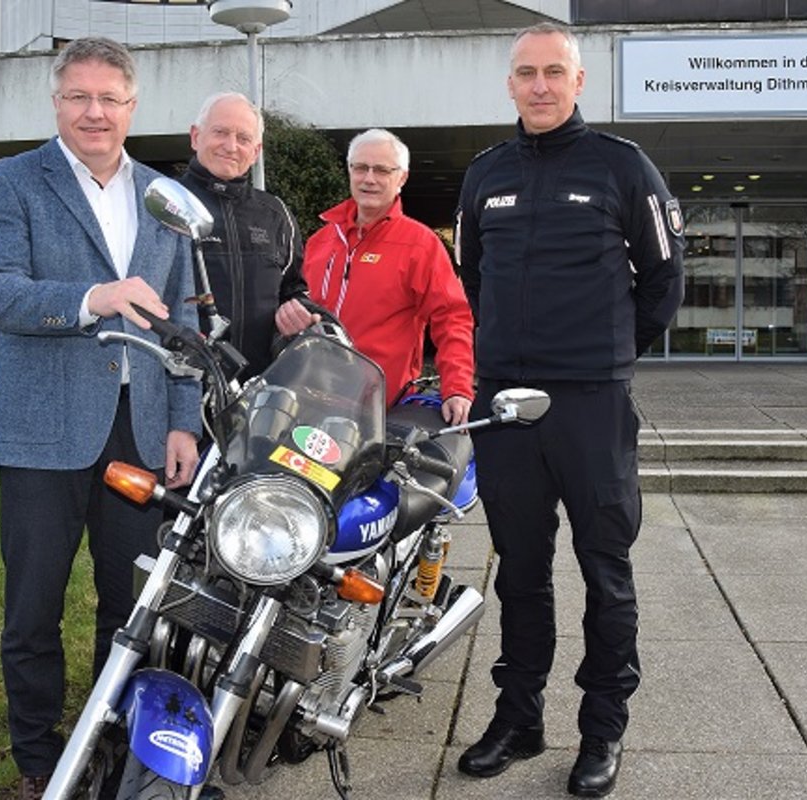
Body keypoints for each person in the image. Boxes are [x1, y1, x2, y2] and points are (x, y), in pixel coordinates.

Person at [454, 23, 684, 798]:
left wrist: (605, 355)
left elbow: (662, 281)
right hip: (507, 408)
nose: (541, 85)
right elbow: (473, 277)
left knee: (604, 570)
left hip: (591, 404)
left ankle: (602, 730)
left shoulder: (623, 167)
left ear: (579, 81)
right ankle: (519, 719)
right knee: (520, 570)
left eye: (556, 72)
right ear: (510, 84)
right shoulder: (485, 174)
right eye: (527, 73)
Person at [0, 37, 202, 800]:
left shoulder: (165, 198)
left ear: (132, 106)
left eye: (110, 98)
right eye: (79, 96)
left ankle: (105, 749)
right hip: (42, 433)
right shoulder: (11, 182)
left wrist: (182, 423)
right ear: (57, 102)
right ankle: (39, 761)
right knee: (32, 607)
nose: (94, 111)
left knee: (131, 605)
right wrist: (91, 297)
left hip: (140, 430)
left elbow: (186, 323)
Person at [303, 128, 475, 423]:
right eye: (361, 168)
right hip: (312, 402)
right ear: (350, 171)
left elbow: (452, 318)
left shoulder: (419, 244)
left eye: (382, 170)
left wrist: (457, 388)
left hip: (381, 410)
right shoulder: (320, 242)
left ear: (402, 179)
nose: (369, 179)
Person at [179, 91, 314, 378]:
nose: (231, 146)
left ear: (256, 151)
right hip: (180, 388)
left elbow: (294, 290)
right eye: (220, 132)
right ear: (195, 136)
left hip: (259, 393)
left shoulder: (275, 214)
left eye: (243, 138)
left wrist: (297, 313)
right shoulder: (165, 202)